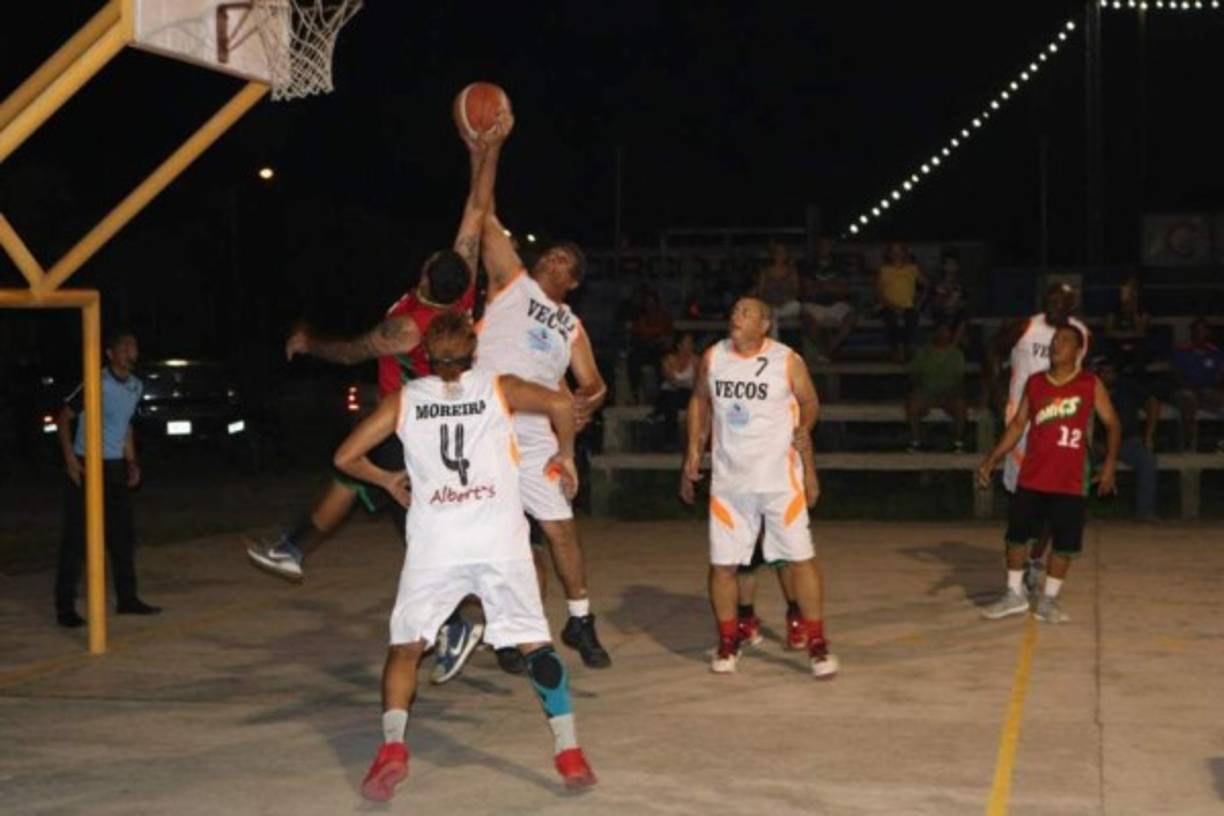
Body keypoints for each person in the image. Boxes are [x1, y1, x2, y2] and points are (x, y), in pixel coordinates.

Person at [247, 114, 508, 683]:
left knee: (391, 508)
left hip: (408, 427)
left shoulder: (409, 327)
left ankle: (454, 623)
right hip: (427, 423)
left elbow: (351, 353)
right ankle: (294, 548)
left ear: (425, 275)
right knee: (366, 493)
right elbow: (477, 208)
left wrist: (308, 342)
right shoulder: (460, 290)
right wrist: (486, 147)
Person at [336, 313, 596, 802]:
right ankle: (569, 753)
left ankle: (393, 747)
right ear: (474, 352)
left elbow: (345, 457)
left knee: (407, 647)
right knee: (534, 644)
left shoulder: (406, 399)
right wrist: (564, 454)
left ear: (426, 358)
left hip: (437, 543)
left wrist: (387, 480)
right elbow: (562, 402)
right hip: (499, 541)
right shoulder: (498, 386)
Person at [478, 186, 612, 669]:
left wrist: (586, 402)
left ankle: (580, 620)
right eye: (551, 255)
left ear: (573, 282)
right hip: (487, 425)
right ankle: (508, 632)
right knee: (498, 539)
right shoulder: (513, 283)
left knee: (561, 526)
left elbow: (594, 383)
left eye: (564, 262)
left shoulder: (570, 324)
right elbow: (484, 217)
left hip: (537, 434)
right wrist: (486, 155)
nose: (553, 261)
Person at [679, 297, 836, 678]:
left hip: (780, 481)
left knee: (800, 558)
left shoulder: (786, 360)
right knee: (723, 565)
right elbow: (699, 400)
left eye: (746, 312)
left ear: (764, 324)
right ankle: (728, 639)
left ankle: (817, 643)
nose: (736, 316)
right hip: (730, 481)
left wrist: (804, 429)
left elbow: (810, 402)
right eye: (734, 310)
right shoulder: (714, 357)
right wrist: (693, 451)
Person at [977, 324, 1120, 624]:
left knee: (1064, 543)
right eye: (1055, 339)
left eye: (1064, 341)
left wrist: (1109, 465)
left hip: (1070, 479)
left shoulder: (1089, 383)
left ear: (1078, 351)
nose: (1056, 344)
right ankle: (1014, 594)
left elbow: (1113, 424)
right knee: (1016, 535)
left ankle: (1049, 600)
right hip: (1033, 475)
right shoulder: (1036, 382)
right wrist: (992, 459)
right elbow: (1018, 425)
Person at [986, 283, 1091, 594]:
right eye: (1051, 299)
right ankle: (1018, 559)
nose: (1056, 305)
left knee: (1053, 502)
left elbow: (1082, 379)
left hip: (1058, 426)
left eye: (1062, 301)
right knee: (1020, 498)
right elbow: (992, 349)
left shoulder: (1081, 334)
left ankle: (1033, 559)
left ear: (1072, 305)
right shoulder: (1025, 327)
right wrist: (996, 388)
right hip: (1022, 427)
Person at [55, 328, 160, 627]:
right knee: (77, 538)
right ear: (110, 354)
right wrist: (70, 461)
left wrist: (132, 461)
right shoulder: (96, 381)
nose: (130, 351)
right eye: (123, 347)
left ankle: (128, 599)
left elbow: (125, 426)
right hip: (87, 464)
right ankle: (65, 608)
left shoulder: (136, 386)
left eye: (133, 345)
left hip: (114, 466)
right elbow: (63, 419)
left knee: (122, 536)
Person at [1093, 355, 1160, 522]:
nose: (1109, 375)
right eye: (1104, 372)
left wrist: (1149, 436)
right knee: (1076, 461)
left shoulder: (1127, 387)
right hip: (1097, 444)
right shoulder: (1090, 388)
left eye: (1112, 371)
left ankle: (1145, 512)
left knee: (1148, 460)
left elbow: (1152, 402)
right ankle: (1076, 512)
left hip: (1127, 442)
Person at [906, 321, 968, 452]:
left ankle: (958, 441)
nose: (943, 334)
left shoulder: (957, 355)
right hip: (926, 393)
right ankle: (916, 440)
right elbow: (914, 377)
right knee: (912, 403)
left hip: (949, 394)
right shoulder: (922, 353)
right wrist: (918, 390)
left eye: (945, 331)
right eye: (940, 331)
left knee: (960, 404)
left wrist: (950, 393)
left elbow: (960, 381)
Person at [799, 237, 858, 362]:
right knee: (806, 318)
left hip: (836, 303)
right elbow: (809, 290)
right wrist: (831, 286)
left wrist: (822, 286)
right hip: (814, 303)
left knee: (851, 317)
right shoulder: (809, 266)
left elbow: (844, 289)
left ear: (831, 247)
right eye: (821, 245)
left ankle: (828, 349)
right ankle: (825, 351)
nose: (824, 248)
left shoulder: (838, 265)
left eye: (827, 245)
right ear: (817, 248)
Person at [1171, 318, 1224, 452]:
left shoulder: (1216, 353)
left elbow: (1220, 378)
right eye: (1197, 330)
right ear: (1192, 332)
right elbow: (1177, 377)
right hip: (1186, 391)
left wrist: (1211, 389)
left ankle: (1219, 443)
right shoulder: (1181, 351)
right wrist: (1195, 389)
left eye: (1203, 330)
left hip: (1208, 391)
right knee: (1188, 399)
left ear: (1208, 333)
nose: (1200, 333)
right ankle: (1190, 446)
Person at [876, 242, 926, 362]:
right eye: (893, 251)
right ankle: (895, 351)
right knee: (891, 319)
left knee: (912, 318)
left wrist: (920, 303)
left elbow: (927, 285)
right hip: (889, 306)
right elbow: (879, 293)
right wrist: (891, 305)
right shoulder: (884, 270)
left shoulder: (912, 268)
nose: (896, 254)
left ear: (904, 253)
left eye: (899, 251)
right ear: (889, 254)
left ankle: (907, 349)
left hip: (909, 306)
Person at [652, 332, 696, 450]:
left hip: (687, 394)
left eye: (691, 343)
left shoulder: (696, 360)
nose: (690, 346)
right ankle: (670, 441)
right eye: (687, 343)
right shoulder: (668, 360)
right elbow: (671, 380)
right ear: (679, 345)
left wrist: (686, 386)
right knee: (671, 401)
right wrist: (686, 385)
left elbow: (698, 382)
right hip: (669, 393)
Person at [1103, 273, 1150, 374]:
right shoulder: (1113, 309)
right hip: (1117, 344)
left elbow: (1141, 332)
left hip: (1137, 345)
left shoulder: (1142, 309)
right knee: (1115, 355)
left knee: (1140, 354)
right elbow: (1109, 332)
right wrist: (1128, 335)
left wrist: (1134, 309)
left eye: (1134, 288)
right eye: (1128, 288)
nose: (1130, 292)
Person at [755, 242, 802, 340]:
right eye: (777, 252)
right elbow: (760, 292)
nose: (779, 255)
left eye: (782, 252)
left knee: (797, 305)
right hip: (770, 306)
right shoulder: (765, 271)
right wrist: (771, 302)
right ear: (773, 254)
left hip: (787, 305)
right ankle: (775, 344)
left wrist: (785, 300)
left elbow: (796, 291)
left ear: (786, 254)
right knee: (772, 314)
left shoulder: (791, 271)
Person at [928, 248, 969, 346]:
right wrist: (944, 303)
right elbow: (934, 303)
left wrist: (956, 305)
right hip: (941, 314)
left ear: (957, 267)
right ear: (944, 266)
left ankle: (953, 346)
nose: (951, 267)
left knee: (963, 317)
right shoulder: (937, 284)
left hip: (957, 314)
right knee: (945, 318)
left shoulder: (961, 285)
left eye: (953, 264)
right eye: (948, 264)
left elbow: (965, 302)